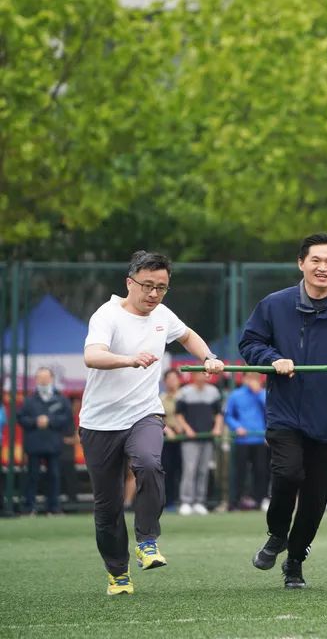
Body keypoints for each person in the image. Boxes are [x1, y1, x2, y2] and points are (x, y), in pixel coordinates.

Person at [81, 250, 224, 595]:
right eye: (147, 286)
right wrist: (129, 360)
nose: (154, 294)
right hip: (99, 423)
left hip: (144, 413)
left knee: (148, 462)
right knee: (108, 507)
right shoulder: (107, 315)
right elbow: (91, 355)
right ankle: (118, 573)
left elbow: (187, 335)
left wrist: (209, 356)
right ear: (129, 283)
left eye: (161, 287)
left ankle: (147, 541)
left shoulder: (162, 314)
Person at [240, 232, 327, 590]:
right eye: (316, 260)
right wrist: (272, 358)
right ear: (301, 263)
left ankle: (295, 561)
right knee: (287, 473)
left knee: (315, 498)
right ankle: (276, 534)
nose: (323, 267)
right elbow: (250, 343)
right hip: (284, 413)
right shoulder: (274, 305)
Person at [18, 367, 73, 515]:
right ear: (36, 379)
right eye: (40, 377)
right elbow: (21, 418)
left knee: (54, 476)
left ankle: (53, 508)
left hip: (53, 445)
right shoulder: (28, 400)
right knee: (32, 476)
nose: (43, 380)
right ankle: (29, 507)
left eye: (46, 377)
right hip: (34, 444)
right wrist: (35, 421)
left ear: (52, 379)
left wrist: (50, 421)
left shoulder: (61, 399)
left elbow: (67, 418)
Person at [175, 370, 223, 516]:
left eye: (204, 373)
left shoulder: (213, 392)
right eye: (199, 373)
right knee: (190, 470)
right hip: (190, 439)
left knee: (203, 470)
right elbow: (178, 414)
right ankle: (186, 502)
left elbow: (218, 413)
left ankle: (199, 502)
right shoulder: (185, 392)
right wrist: (187, 429)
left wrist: (217, 428)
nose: (202, 376)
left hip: (207, 437)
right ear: (193, 375)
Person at [225, 371, 268, 511]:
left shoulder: (264, 394)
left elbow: (270, 411)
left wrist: (259, 393)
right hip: (242, 440)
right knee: (240, 472)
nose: (252, 380)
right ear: (244, 378)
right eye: (249, 377)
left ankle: (260, 500)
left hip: (260, 439)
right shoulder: (236, 395)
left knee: (261, 471)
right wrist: (237, 427)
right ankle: (236, 501)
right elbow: (228, 415)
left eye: (255, 377)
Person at [159, 369, 183, 510]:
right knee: (167, 469)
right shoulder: (161, 398)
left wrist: (182, 427)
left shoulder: (185, 396)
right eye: (169, 379)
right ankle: (168, 502)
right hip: (166, 438)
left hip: (184, 437)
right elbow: (157, 417)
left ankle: (183, 501)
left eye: (174, 379)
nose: (172, 382)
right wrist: (167, 430)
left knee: (183, 469)